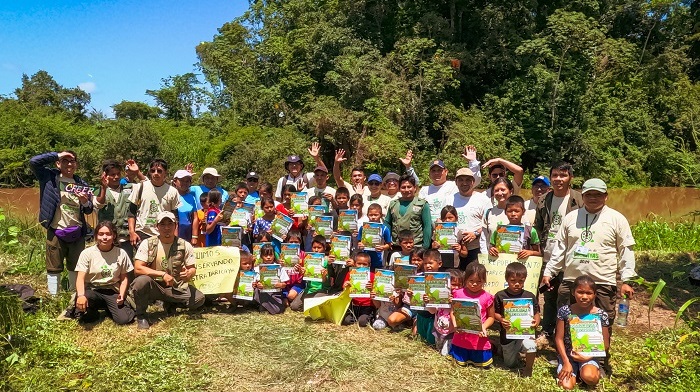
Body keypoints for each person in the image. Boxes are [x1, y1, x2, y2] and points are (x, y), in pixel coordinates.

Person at [542, 178, 636, 327]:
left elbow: (626, 250)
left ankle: (601, 350)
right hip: (572, 279)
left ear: (606, 196)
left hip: (603, 280)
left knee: (603, 322)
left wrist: (627, 281)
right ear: (582, 196)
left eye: (597, 194)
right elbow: (560, 248)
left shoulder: (617, 219)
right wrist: (550, 271)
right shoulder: (571, 217)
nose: (593, 198)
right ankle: (567, 349)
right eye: (589, 194)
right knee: (567, 320)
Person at [30, 150, 94, 295]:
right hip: (55, 229)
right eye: (65, 160)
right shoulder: (48, 177)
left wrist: (84, 201)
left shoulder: (81, 183)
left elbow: (89, 210)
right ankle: (54, 297)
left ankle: (73, 295)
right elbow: (34, 162)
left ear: (76, 164)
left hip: (77, 231)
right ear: (58, 163)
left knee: (75, 265)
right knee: (53, 266)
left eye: (72, 161)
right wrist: (57, 154)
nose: (69, 164)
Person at [534, 162, 584, 340]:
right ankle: (547, 331)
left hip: (572, 257)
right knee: (549, 295)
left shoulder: (579, 199)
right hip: (549, 255)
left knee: (571, 296)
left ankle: (569, 333)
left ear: (570, 177)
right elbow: (537, 229)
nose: (558, 179)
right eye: (554, 175)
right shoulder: (544, 200)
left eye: (562, 175)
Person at [131, 211, 205, 330]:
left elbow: (192, 269)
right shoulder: (148, 243)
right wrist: (162, 274)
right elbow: (138, 268)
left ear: (176, 226)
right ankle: (141, 315)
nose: (167, 228)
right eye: (162, 224)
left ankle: (171, 303)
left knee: (199, 299)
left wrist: (189, 274)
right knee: (140, 282)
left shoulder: (185, 245)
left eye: (170, 224)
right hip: (154, 286)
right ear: (157, 227)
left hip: (175, 286)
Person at [74, 221, 135, 325]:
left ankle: (110, 307)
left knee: (124, 319)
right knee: (84, 316)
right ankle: (93, 312)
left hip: (112, 290)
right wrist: (80, 295)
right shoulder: (87, 253)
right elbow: (80, 278)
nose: (105, 237)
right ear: (96, 236)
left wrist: (122, 294)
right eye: (101, 234)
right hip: (93, 290)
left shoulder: (121, 253)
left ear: (114, 235)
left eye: (108, 234)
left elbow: (124, 278)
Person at [555, 275, 610, 390]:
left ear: (595, 294)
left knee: (590, 378)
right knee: (566, 386)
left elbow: (605, 344)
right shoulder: (565, 311)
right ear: (573, 292)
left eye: (589, 293)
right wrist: (566, 362)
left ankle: (588, 370)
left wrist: (587, 357)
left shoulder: (601, 315)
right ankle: (574, 371)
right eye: (580, 292)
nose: (584, 297)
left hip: (589, 356)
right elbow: (559, 338)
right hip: (569, 356)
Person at [494, 262, 540, 377]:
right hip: (507, 335)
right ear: (507, 279)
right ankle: (503, 349)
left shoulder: (529, 296)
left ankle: (528, 368)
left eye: (521, 281)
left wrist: (536, 322)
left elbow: (537, 313)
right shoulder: (500, 295)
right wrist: (501, 319)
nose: (517, 284)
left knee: (531, 345)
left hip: (525, 332)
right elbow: (494, 313)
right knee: (510, 364)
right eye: (513, 281)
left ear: (525, 280)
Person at [418, 145, 482, 223]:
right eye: (433, 171)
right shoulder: (424, 190)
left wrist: (473, 162)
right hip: (429, 230)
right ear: (429, 173)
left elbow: (474, 180)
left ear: (446, 172)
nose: (436, 173)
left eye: (439, 170)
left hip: (449, 228)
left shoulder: (454, 186)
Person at [449, 262, 495, 368]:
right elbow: (453, 312)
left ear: (484, 281)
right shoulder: (458, 294)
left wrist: (483, 327)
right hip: (461, 336)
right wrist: (455, 324)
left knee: (482, 364)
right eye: (471, 281)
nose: (474, 284)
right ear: (465, 280)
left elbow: (491, 317)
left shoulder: (487, 297)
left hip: (479, 337)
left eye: (479, 282)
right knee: (459, 363)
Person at [127, 158, 181, 247]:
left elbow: (175, 217)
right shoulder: (140, 187)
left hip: (164, 233)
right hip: (142, 233)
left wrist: (174, 237)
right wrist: (132, 232)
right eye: (153, 171)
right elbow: (131, 213)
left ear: (165, 173)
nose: (156, 173)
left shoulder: (172, 191)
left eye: (159, 171)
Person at [449, 168, 492, 269]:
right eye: (461, 180)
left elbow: (490, 223)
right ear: (456, 182)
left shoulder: (483, 200)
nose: (464, 183)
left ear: (473, 182)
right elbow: (441, 221)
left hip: (476, 248)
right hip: (454, 249)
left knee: (474, 279)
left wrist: (475, 234)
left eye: (468, 180)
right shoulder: (449, 199)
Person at [94, 159, 135, 259]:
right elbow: (98, 204)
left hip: (126, 239)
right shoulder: (98, 190)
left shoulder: (130, 188)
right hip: (107, 240)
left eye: (118, 174)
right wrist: (103, 187)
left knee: (127, 269)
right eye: (112, 174)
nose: (116, 177)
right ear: (105, 175)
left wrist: (137, 173)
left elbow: (148, 186)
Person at [384, 174, 432, 250]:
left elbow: (427, 226)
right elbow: (387, 223)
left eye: (409, 187)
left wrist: (425, 246)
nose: (406, 190)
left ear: (415, 188)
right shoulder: (393, 204)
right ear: (399, 189)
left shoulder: (422, 204)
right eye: (403, 187)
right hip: (396, 246)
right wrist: (387, 241)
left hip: (416, 246)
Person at [488, 196, 541, 260]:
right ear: (505, 212)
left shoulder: (530, 230)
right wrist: (492, 250)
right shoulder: (499, 230)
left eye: (517, 211)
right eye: (510, 211)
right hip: (502, 265)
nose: (513, 214)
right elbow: (491, 248)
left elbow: (539, 253)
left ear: (523, 212)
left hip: (522, 267)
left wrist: (530, 253)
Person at [290, 235, 330, 312]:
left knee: (313, 305)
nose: (316, 250)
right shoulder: (308, 259)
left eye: (319, 248)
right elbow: (305, 277)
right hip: (309, 289)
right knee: (294, 306)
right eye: (314, 247)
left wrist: (324, 276)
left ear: (324, 248)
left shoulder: (327, 261)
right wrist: (301, 272)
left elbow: (327, 282)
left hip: (322, 290)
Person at [428, 268, 462, 356]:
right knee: (438, 350)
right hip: (438, 330)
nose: (456, 288)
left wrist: (454, 303)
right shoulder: (439, 296)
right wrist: (428, 302)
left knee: (445, 354)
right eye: (453, 284)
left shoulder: (462, 298)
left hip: (452, 332)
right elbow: (432, 311)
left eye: (459, 285)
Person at [480, 178, 514, 255]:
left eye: (503, 189)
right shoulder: (489, 213)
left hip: (514, 260)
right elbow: (484, 238)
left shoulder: (519, 213)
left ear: (511, 191)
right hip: (493, 260)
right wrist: (485, 255)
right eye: (496, 190)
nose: (499, 193)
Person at [253, 244, 289, 314]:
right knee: (257, 291)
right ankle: (264, 305)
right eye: (266, 255)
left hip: (276, 293)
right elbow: (255, 283)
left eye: (270, 255)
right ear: (261, 256)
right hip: (263, 292)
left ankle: (264, 306)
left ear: (274, 255)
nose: (268, 257)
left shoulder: (279, 267)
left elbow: (284, 284)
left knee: (277, 310)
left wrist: (280, 285)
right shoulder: (257, 268)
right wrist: (258, 285)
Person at [341, 252, 376, 326]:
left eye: (364, 264)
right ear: (354, 264)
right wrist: (345, 286)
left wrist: (372, 288)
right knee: (346, 321)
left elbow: (376, 294)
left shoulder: (373, 275)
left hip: (367, 305)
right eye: (359, 263)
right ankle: (354, 317)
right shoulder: (350, 274)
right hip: (354, 304)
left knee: (362, 322)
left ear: (369, 265)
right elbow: (344, 290)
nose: (361, 266)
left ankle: (370, 317)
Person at [356, 203, 392, 270]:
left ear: (381, 215)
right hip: (364, 261)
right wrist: (360, 245)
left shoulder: (384, 229)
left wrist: (383, 247)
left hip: (379, 261)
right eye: (371, 215)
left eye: (376, 215)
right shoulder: (363, 228)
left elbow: (389, 244)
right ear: (367, 215)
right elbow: (359, 242)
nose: (373, 217)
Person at [172, 170, 197, 242]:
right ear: (175, 181)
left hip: (187, 233)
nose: (185, 183)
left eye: (187, 181)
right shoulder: (170, 196)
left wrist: (194, 236)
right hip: (171, 233)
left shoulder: (191, 197)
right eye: (182, 180)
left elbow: (195, 218)